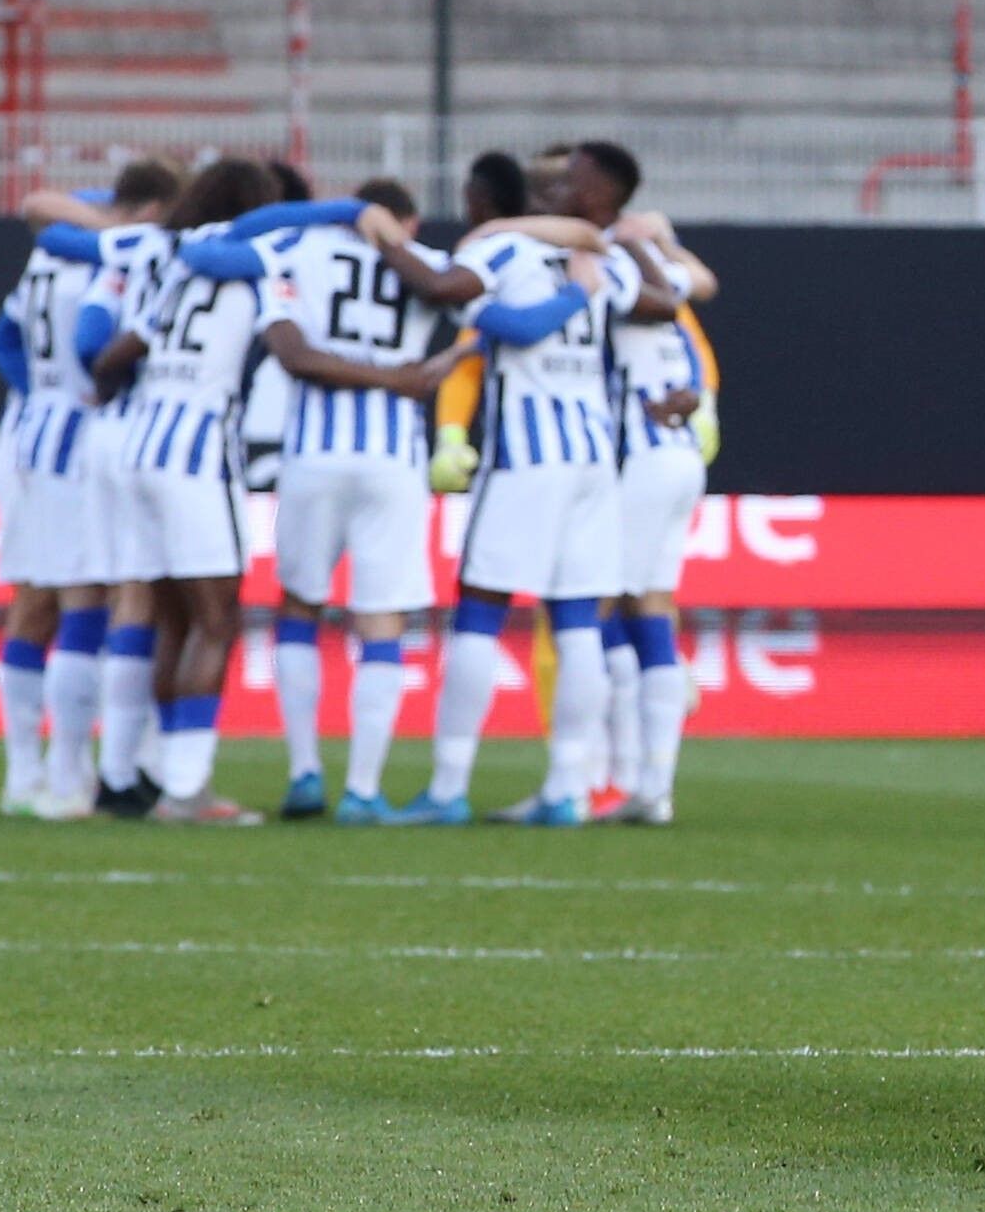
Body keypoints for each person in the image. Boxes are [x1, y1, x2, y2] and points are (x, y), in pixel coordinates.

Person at [242, 178, 491, 823]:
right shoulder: (427, 263)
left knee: (298, 605)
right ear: (403, 221)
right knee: (382, 620)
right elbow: (484, 308)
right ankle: (362, 788)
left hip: (313, 457)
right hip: (392, 461)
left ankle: (303, 773)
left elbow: (290, 352)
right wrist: (430, 369)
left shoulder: (298, 249)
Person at [427, 152, 654, 827]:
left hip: (529, 460)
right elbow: (658, 303)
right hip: (593, 459)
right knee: (578, 620)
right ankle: (564, 787)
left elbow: (497, 318)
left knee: (481, 611)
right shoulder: (600, 262)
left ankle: (447, 787)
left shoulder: (502, 252)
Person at [80, 156, 284, 823]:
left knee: (172, 618)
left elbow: (114, 352)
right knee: (217, 619)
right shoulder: (257, 256)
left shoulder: (166, 261)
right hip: (197, 451)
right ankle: (187, 787)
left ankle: (168, 773)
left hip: (140, 442)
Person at [0, 159, 181, 818]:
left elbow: (3, 340)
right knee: (85, 599)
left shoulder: (45, 257)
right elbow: (95, 338)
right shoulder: (116, 259)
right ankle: (69, 776)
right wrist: (89, 390)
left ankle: (23, 774)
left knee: (32, 597)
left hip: (29, 430)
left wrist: (35, 393)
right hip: (82, 430)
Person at [542, 141, 718, 827]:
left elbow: (669, 299)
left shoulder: (610, 255)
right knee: (650, 606)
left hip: (640, 456)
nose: (559, 189)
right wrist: (660, 238)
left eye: (571, 179)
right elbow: (695, 288)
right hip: (675, 454)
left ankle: (621, 779)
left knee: (608, 606)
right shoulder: (645, 254)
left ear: (597, 190)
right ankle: (650, 784)